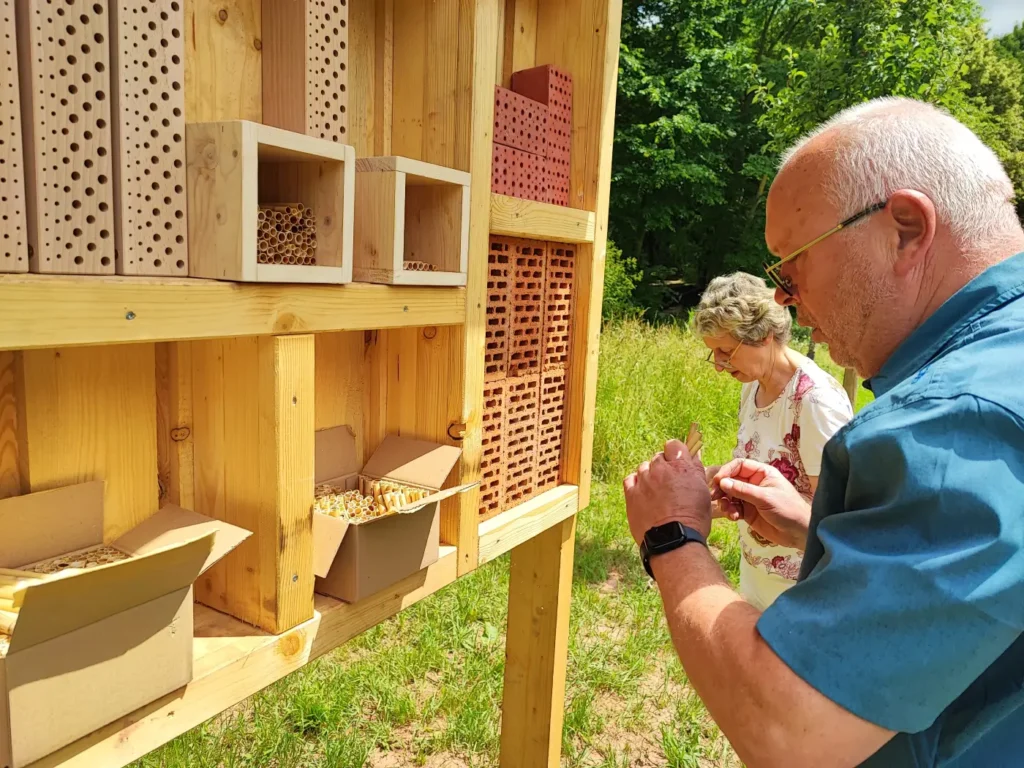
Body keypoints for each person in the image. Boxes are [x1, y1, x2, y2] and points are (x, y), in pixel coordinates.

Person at [623, 97, 1024, 767]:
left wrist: (671, 537)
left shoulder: (958, 420)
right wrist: (818, 528)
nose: (783, 297)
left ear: (903, 229)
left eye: (793, 262)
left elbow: (792, 732)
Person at [692, 272, 852, 609]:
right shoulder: (752, 386)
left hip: (804, 589)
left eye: (725, 351)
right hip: (757, 574)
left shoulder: (814, 402)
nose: (719, 366)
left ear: (763, 335)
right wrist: (708, 486)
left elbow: (837, 516)